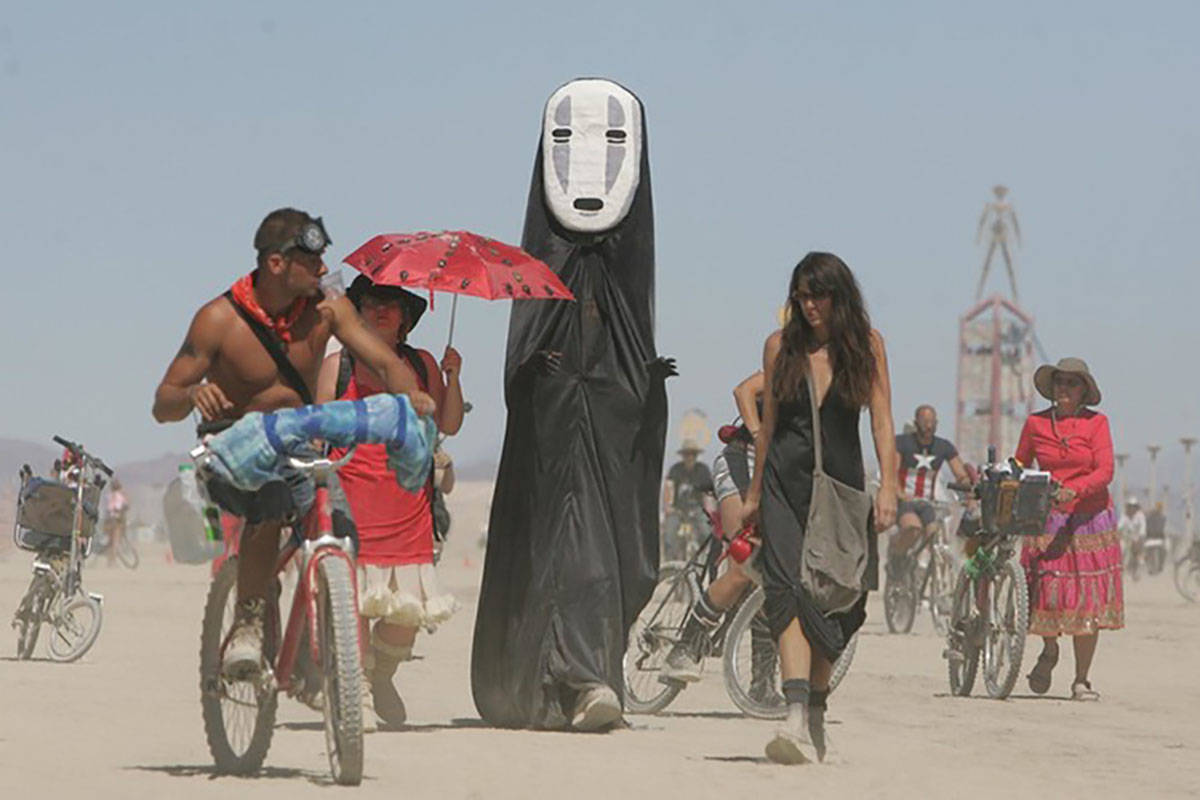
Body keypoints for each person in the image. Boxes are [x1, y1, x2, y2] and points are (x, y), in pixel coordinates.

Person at [152, 208, 435, 682]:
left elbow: (384, 363)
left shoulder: (328, 310)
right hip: (233, 450)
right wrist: (191, 394)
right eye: (312, 260)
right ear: (277, 264)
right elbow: (163, 402)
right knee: (271, 504)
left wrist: (413, 395)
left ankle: (316, 647)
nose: (324, 270)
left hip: (298, 446)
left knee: (342, 526)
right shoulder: (219, 319)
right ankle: (246, 625)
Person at [471, 78, 673, 732]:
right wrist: (546, 375)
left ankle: (584, 681)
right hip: (556, 434)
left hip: (600, 429)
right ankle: (577, 682)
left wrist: (633, 381)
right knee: (566, 558)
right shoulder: (548, 289)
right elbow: (529, 344)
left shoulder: (620, 293)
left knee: (597, 560)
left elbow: (624, 318)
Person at [741, 252, 897, 764]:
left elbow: (880, 422)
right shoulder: (779, 347)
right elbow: (766, 429)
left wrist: (889, 485)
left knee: (838, 601)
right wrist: (755, 494)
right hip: (786, 486)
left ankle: (815, 712)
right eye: (803, 295)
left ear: (839, 295)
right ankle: (791, 713)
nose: (810, 306)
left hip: (844, 490)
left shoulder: (867, 347)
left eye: (819, 295)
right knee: (786, 591)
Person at [316, 275, 464, 727]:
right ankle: (357, 689)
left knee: (407, 613)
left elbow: (450, 423)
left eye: (392, 304)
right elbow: (320, 427)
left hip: (408, 506)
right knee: (356, 604)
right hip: (350, 500)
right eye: (372, 302)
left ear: (405, 319)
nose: (381, 310)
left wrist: (451, 377)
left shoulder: (420, 365)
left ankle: (381, 674)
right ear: (357, 314)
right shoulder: (338, 365)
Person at [1018, 357, 1122, 701]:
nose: (1064, 389)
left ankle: (1081, 679)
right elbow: (1020, 461)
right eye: (1059, 382)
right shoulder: (1035, 424)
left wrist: (1075, 490)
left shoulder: (1097, 424)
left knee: (1087, 601)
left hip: (1090, 520)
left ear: (1084, 391)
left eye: (1072, 383)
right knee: (1047, 591)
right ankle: (1049, 650)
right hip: (1047, 519)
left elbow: (1105, 470)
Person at [662, 371, 765, 685]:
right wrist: (761, 437)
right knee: (745, 566)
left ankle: (762, 685)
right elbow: (742, 390)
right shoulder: (789, 358)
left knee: (774, 576)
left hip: (779, 472)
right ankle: (684, 648)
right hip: (744, 462)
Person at [888, 405, 973, 576]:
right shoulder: (903, 443)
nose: (928, 426)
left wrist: (968, 493)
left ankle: (925, 575)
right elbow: (892, 472)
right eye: (924, 421)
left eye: (932, 422)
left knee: (934, 533)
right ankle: (896, 558)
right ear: (916, 423)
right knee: (912, 528)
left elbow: (960, 474)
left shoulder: (943, 447)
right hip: (906, 502)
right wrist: (899, 493)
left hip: (929, 503)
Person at [661, 440, 715, 561]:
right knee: (669, 536)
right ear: (683, 456)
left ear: (696, 456)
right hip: (677, 510)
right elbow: (669, 488)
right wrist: (668, 507)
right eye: (687, 454)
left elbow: (707, 493)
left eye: (692, 454)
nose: (689, 457)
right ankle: (670, 565)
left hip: (697, 509)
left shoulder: (703, 470)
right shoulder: (676, 469)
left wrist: (709, 510)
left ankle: (705, 561)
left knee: (706, 533)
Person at [1118, 496, 1147, 580]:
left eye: (1133, 506)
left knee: (1137, 555)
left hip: (1137, 538)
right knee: (1121, 549)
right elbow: (1119, 526)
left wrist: (1139, 540)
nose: (1131, 508)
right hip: (1126, 538)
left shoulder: (1140, 516)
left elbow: (1143, 529)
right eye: (1130, 506)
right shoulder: (1124, 515)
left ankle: (1136, 572)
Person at [104, 479, 129, 567]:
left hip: (108, 520)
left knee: (110, 542)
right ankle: (113, 561)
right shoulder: (120, 496)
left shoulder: (108, 496)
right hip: (117, 520)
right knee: (115, 542)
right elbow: (126, 505)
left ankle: (109, 561)